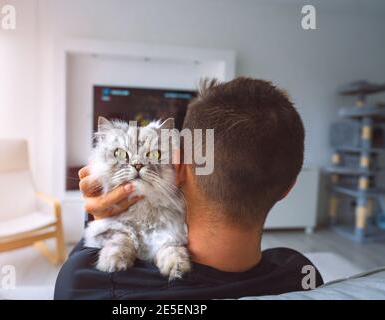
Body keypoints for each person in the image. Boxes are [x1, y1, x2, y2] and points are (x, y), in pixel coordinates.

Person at [54, 77, 323, 300]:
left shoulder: (85, 281)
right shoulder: (301, 274)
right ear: (288, 187)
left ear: (179, 167)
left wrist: (103, 218)